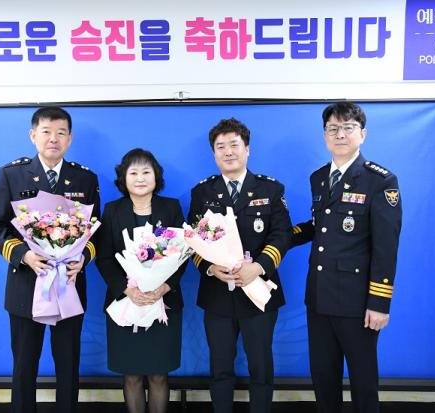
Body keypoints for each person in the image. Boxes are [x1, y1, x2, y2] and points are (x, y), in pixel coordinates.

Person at [0, 106, 100, 413]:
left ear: (69, 139)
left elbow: (96, 231)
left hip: (69, 285)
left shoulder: (85, 178)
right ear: (33, 135)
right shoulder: (11, 174)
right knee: (24, 367)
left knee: (68, 366)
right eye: (46, 131)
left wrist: (83, 258)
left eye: (61, 133)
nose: (53, 139)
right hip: (26, 286)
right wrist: (24, 255)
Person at [290, 102, 402, 413]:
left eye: (348, 128)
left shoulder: (380, 181)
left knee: (363, 382)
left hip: (357, 303)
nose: (340, 134)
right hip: (319, 297)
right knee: (323, 379)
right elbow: (320, 226)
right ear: (324, 135)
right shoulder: (318, 178)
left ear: (362, 134)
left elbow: (386, 246)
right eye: (333, 128)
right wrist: (280, 238)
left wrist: (379, 303)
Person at [188, 118, 292, 413]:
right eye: (220, 147)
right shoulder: (202, 193)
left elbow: (282, 235)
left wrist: (257, 267)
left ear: (247, 149)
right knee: (220, 368)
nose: (228, 152)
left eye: (234, 144)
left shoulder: (270, 189)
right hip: (217, 294)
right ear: (214, 154)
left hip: (258, 291)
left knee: (261, 367)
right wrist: (210, 268)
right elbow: (192, 240)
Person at [95, 148, 187, 413]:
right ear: (123, 179)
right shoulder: (112, 210)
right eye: (133, 172)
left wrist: (164, 286)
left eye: (146, 172)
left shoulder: (171, 208)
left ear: (156, 177)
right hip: (125, 304)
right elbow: (104, 258)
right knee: (132, 375)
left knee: (159, 375)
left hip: (163, 303)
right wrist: (127, 290)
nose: (140, 178)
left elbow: (183, 254)